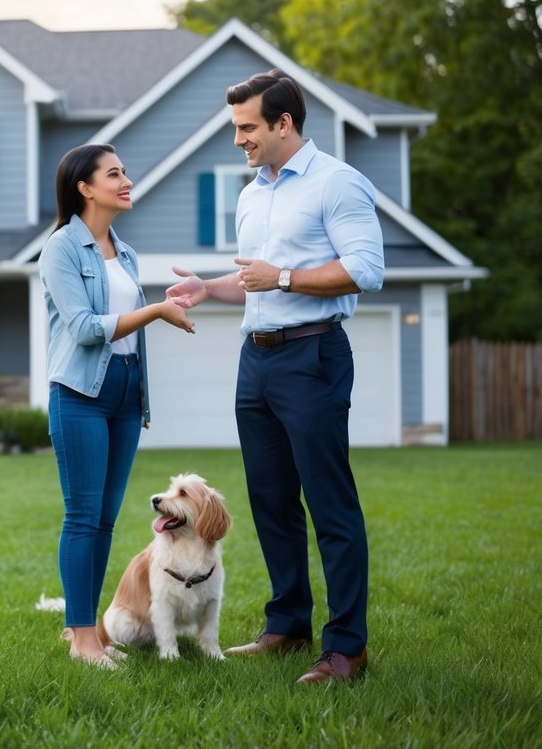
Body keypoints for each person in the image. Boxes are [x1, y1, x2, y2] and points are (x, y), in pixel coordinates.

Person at [166, 69, 384, 684]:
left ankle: (346, 649)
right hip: (256, 359)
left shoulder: (336, 182)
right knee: (270, 501)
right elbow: (256, 280)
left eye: (247, 127)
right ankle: (287, 626)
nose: (239, 139)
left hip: (313, 356)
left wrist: (283, 278)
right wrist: (209, 288)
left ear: (283, 122)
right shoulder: (252, 193)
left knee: (330, 504)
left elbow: (366, 270)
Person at [40, 143, 195, 669]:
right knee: (83, 517)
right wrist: (156, 310)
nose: (126, 180)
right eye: (114, 174)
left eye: (125, 171)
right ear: (85, 188)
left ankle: (91, 633)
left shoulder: (124, 252)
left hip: (126, 392)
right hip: (80, 393)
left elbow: (126, 334)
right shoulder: (61, 248)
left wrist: (140, 391)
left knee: (105, 520)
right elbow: (86, 329)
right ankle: (83, 640)